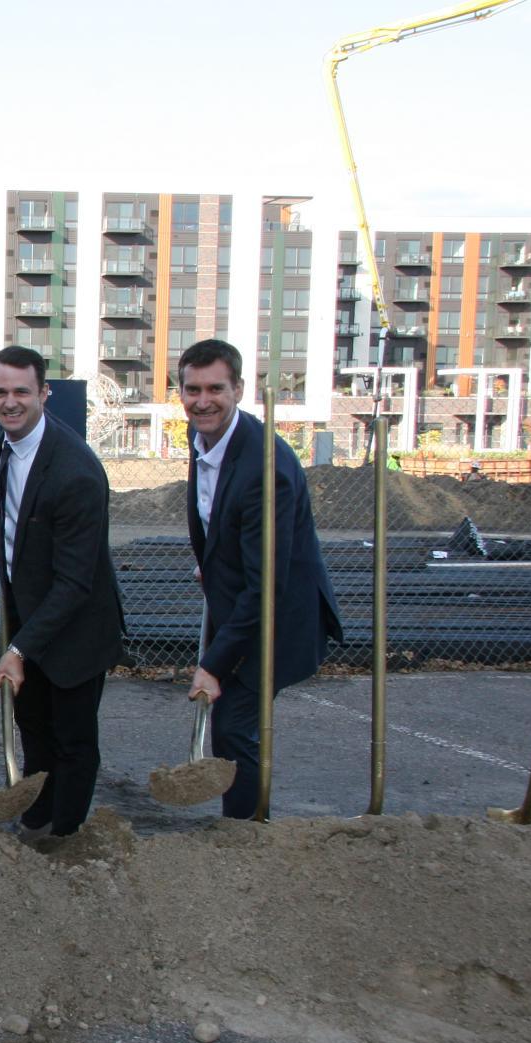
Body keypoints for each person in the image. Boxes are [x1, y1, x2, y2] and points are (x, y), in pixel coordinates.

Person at [180, 338, 342, 819]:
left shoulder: (264, 467)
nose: (202, 400)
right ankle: (247, 822)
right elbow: (224, 522)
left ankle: (249, 830)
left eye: (215, 389)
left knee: (232, 725)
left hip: (277, 614)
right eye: (192, 389)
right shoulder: (207, 440)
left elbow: (266, 581)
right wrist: (212, 561)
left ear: (239, 389)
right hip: (243, 599)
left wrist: (213, 663)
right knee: (233, 724)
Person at [0, 345, 125, 840]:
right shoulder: (5, 448)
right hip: (31, 616)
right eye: (0, 392)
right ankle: (37, 816)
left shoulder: (75, 471)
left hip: (78, 628)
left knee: (72, 739)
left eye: (22, 391)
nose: (10, 401)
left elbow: (76, 582)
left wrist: (19, 649)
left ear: (44, 393)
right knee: (35, 728)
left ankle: (66, 835)